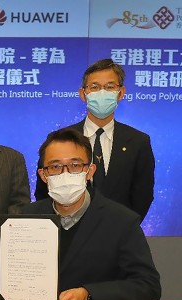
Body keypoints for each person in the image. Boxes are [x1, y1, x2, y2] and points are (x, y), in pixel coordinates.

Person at [23, 128, 161, 300]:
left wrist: (88, 294)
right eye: (55, 167)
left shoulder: (121, 221)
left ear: (89, 171)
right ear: (43, 175)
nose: (65, 174)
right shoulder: (25, 218)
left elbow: (148, 286)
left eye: (75, 165)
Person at [34, 59, 155, 221]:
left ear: (121, 93)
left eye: (110, 87)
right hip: (67, 231)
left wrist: (125, 228)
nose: (102, 92)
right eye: (95, 87)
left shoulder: (138, 141)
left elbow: (143, 195)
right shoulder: (60, 139)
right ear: (83, 94)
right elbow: (43, 191)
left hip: (119, 234)